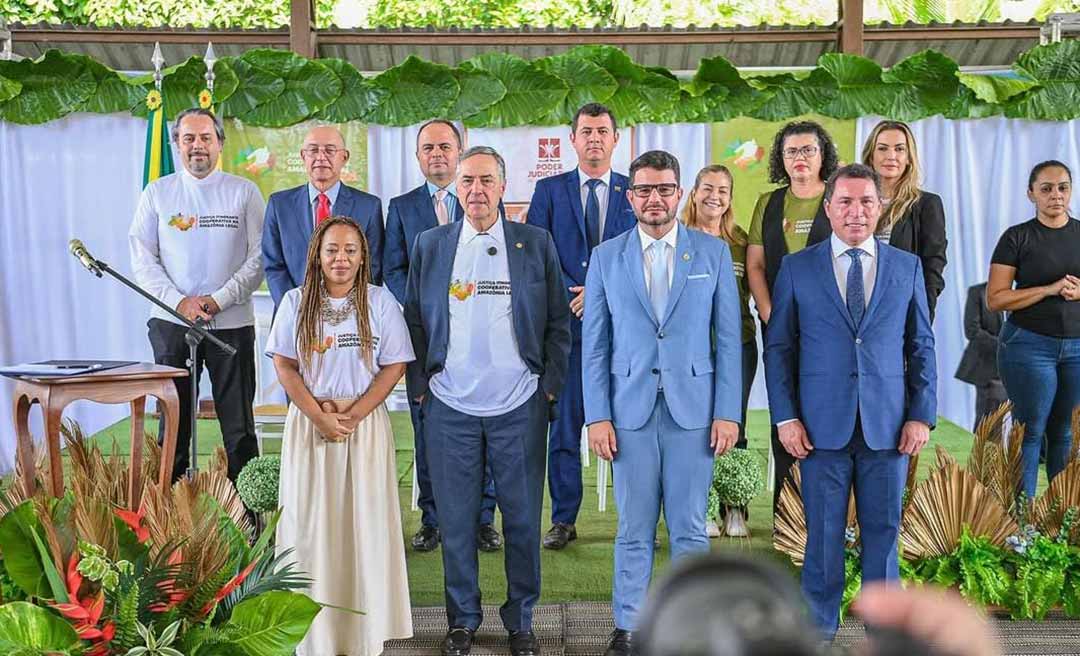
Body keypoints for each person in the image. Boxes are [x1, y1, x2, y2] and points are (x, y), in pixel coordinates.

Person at [404, 146, 571, 656]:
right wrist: (421, 388)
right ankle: (462, 620)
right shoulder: (431, 244)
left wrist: (546, 390)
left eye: (486, 181)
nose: (476, 190)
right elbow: (413, 319)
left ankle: (521, 620)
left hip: (520, 405)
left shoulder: (534, 242)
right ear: (456, 187)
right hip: (450, 407)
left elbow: (558, 323)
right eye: (468, 181)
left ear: (503, 187)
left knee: (521, 520)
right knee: (456, 520)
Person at [764, 163, 937, 640]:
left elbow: (921, 344)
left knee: (883, 536)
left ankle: (884, 635)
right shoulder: (797, 268)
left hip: (888, 425)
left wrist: (921, 414)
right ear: (828, 207)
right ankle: (817, 631)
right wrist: (786, 417)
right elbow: (779, 348)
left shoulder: (907, 267)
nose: (856, 211)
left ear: (880, 208)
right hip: (820, 427)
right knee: (822, 536)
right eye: (845, 201)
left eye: (866, 201)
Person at [583, 150, 743, 656]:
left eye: (665, 189)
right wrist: (598, 415)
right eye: (645, 190)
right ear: (630, 197)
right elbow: (595, 344)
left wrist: (727, 412)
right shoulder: (607, 256)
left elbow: (729, 340)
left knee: (690, 526)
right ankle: (628, 625)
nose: (655, 199)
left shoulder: (712, 254)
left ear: (682, 194)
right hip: (627, 413)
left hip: (694, 412)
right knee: (633, 527)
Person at [267, 216, 412, 656]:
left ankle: (362, 632)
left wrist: (353, 413)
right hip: (311, 430)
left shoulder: (380, 301)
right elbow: (285, 364)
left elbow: (395, 364)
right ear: (317, 253)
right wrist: (318, 415)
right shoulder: (294, 302)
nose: (341, 258)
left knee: (363, 524)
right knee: (310, 527)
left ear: (363, 255)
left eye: (351, 250)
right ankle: (313, 635)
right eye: (332, 249)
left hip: (362, 429)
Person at [383, 119, 501, 554]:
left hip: (482, 338)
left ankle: (484, 519)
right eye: (428, 148)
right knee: (429, 429)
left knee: (487, 425)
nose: (437, 154)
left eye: (445, 147)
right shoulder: (401, 207)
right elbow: (392, 268)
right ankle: (432, 518)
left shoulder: (483, 200)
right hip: (426, 337)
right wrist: (425, 302)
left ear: (460, 151)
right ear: (418, 156)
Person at [129, 107, 263, 482]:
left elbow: (260, 257)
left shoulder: (244, 192)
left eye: (206, 137)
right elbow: (143, 258)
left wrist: (218, 299)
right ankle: (166, 521)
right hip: (172, 324)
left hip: (232, 325)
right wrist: (179, 302)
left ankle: (248, 525)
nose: (197, 146)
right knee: (173, 425)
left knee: (239, 428)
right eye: (188, 138)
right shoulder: (157, 193)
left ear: (219, 143)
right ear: (176, 144)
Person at [527, 102, 637, 551]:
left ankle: (636, 517)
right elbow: (535, 254)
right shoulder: (549, 190)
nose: (594, 138)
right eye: (586, 132)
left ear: (616, 140)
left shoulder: (635, 191)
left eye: (602, 132)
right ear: (572, 139)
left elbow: (642, 255)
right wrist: (573, 294)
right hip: (568, 331)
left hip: (627, 335)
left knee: (632, 427)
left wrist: (601, 293)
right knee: (566, 428)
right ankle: (564, 519)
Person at [745, 120, 839, 514]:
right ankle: (788, 514)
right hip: (779, 327)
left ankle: (828, 509)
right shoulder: (768, 203)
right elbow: (755, 265)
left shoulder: (838, 198)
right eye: (791, 152)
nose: (800, 158)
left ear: (823, 155)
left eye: (808, 150)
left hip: (831, 332)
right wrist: (771, 315)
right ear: (781, 160)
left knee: (826, 411)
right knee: (785, 412)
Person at [989, 160, 1080, 500]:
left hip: (1076, 348)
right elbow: (996, 299)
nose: (1055, 195)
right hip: (1028, 346)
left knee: (1066, 434)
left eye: (1062, 187)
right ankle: (1022, 524)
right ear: (1031, 194)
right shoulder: (1017, 237)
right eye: (1046, 188)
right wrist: (1048, 289)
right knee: (1030, 432)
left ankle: (1060, 518)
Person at [680, 164, 756, 538]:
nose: (715, 196)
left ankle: (735, 506)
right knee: (695, 431)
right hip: (691, 352)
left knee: (733, 424)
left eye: (723, 190)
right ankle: (702, 507)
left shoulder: (741, 241)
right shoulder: (677, 239)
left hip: (738, 345)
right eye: (707, 187)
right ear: (694, 193)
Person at [262, 125, 384, 311]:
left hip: (350, 317)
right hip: (294, 315)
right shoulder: (279, 205)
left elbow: (372, 267)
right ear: (303, 156)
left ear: (344, 157)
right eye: (313, 150)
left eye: (329, 150)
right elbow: (273, 265)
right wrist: (298, 308)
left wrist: (343, 309)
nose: (321, 157)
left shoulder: (369, 206)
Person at [861, 120, 948, 321]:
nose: (891, 156)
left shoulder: (927, 204)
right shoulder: (855, 202)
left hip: (900, 312)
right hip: (855, 307)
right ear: (871, 156)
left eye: (899, 149)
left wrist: (923, 317)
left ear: (909, 157)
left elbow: (933, 265)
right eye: (882, 148)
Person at [956, 282, 1008, 431]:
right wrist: (1004, 346)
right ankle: (982, 454)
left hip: (1016, 367)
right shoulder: (977, 292)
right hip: (988, 367)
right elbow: (972, 330)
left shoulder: (1023, 294)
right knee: (989, 422)